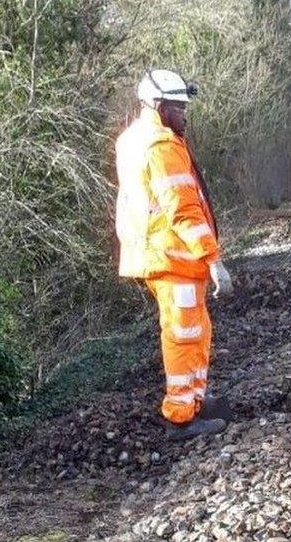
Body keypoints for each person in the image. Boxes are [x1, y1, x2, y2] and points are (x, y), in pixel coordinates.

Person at [115, 70, 233, 440]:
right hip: (172, 256)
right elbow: (181, 210)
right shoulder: (161, 146)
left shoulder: (135, 139)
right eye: (178, 107)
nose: (184, 114)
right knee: (184, 334)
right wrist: (213, 259)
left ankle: (193, 400)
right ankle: (181, 416)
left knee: (197, 329)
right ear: (157, 105)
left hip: (165, 255)